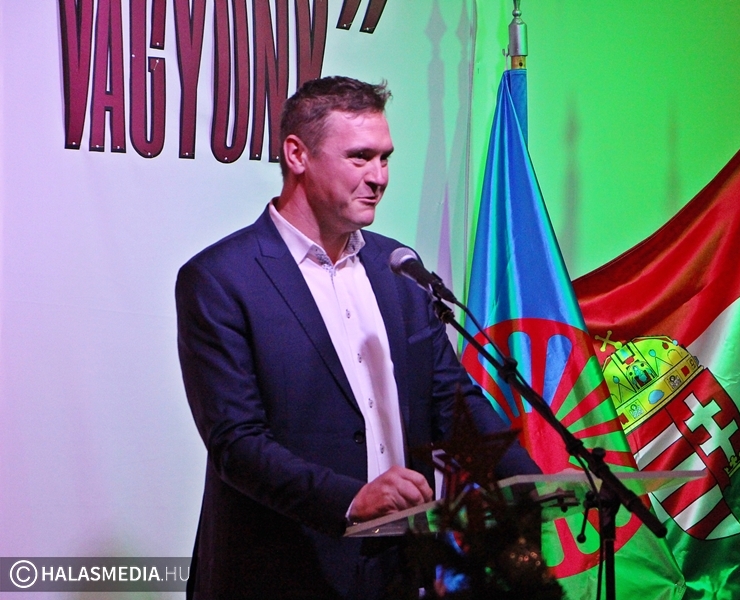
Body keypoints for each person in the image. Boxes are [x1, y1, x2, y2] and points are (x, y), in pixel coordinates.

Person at [175, 76, 540, 599]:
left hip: (400, 568)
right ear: (297, 155)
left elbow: (451, 401)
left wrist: (530, 483)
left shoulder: (400, 269)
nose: (379, 176)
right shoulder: (221, 278)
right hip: (282, 570)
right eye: (360, 157)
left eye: (385, 158)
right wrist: (352, 499)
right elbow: (237, 443)